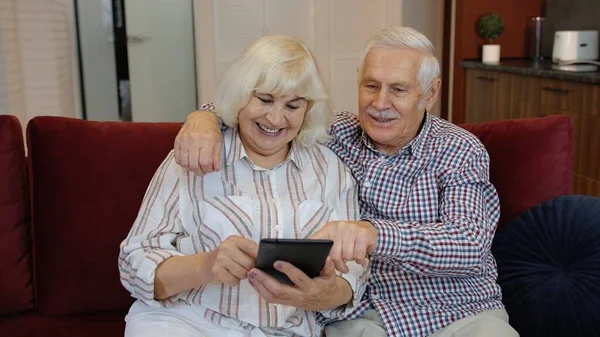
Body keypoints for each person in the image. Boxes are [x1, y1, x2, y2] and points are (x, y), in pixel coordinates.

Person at [174, 27, 520, 337]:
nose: (379, 104)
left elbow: (470, 243)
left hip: (457, 312)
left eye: (398, 89)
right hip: (363, 315)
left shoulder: (459, 149)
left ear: (429, 94)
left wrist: (373, 233)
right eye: (371, 86)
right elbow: (264, 107)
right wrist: (202, 117)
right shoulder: (335, 132)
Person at [118, 35, 367, 337]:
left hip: (285, 331)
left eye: (293, 105)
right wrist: (205, 266)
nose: (276, 118)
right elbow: (134, 264)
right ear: (240, 95)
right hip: (188, 322)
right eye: (264, 99)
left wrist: (322, 293)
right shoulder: (196, 154)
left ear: (307, 109)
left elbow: (354, 275)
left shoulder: (331, 171)